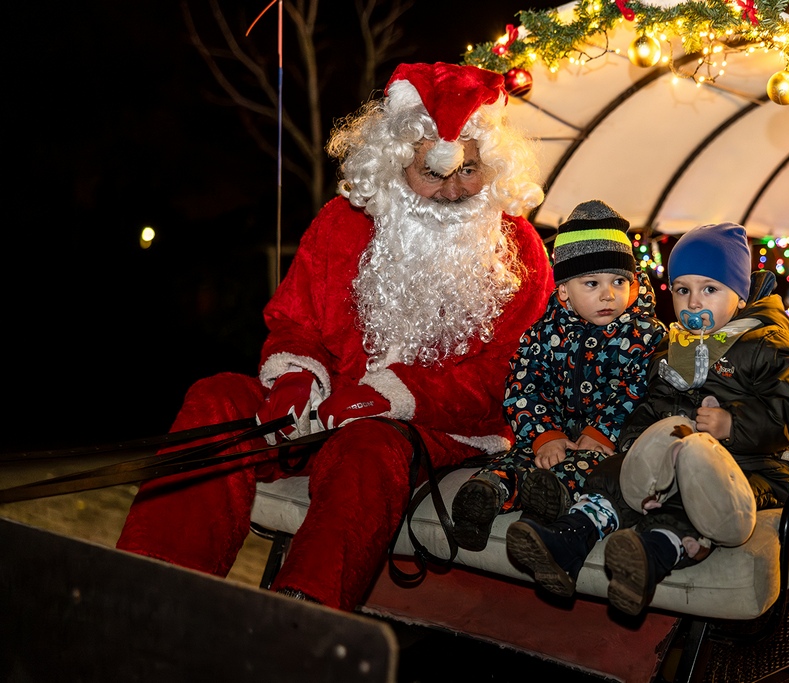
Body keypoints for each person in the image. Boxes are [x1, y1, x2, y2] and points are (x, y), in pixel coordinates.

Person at [116, 62, 554, 610]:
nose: (452, 191)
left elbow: (508, 376)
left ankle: (300, 622)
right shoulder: (341, 223)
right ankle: (148, 593)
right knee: (216, 396)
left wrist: (392, 396)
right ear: (396, 164)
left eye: (469, 170)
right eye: (433, 172)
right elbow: (295, 320)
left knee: (366, 447)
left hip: (435, 432)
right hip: (321, 414)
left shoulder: (519, 250)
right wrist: (297, 376)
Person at [505, 222, 789, 616]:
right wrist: (634, 444)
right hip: (671, 458)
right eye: (683, 290)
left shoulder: (764, 343)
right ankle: (569, 539)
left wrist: (732, 424)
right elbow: (652, 405)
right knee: (614, 473)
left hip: (746, 467)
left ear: (739, 296)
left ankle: (650, 556)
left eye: (710, 289)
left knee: (691, 496)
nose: (694, 303)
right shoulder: (676, 346)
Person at [450, 200, 666, 551]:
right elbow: (523, 385)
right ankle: (486, 494)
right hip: (552, 433)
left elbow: (640, 391)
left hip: (608, 445)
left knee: (589, 468)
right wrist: (544, 434)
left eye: (618, 281)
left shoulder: (646, 336)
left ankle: (549, 498)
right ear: (564, 290)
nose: (608, 294)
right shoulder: (544, 333)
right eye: (592, 283)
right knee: (519, 458)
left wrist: (603, 433)